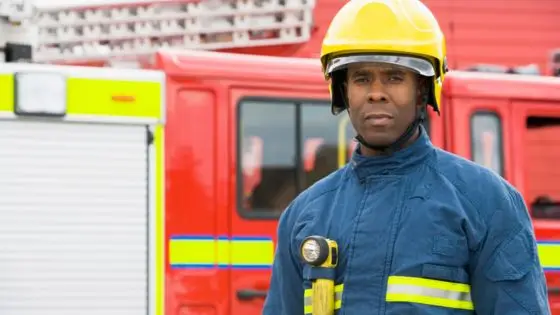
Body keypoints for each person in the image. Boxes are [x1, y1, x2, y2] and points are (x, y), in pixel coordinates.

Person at [262, 0, 551, 314]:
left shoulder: (487, 203)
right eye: (361, 78)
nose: (376, 92)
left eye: (394, 77)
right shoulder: (304, 215)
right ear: (343, 91)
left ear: (423, 90)